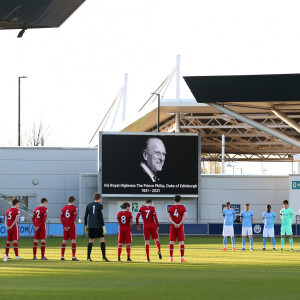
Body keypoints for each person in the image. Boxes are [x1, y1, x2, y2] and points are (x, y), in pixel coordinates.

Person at [84, 193, 109, 261]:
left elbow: (85, 216)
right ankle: (104, 257)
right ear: (100, 198)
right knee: (102, 240)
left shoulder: (89, 205)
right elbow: (101, 217)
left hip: (91, 226)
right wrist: (103, 226)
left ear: (94, 198)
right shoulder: (100, 206)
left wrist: (86, 226)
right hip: (98, 226)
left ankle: (88, 257)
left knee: (91, 241)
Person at [167, 194, 187, 262]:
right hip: (180, 226)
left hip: (173, 226)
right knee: (181, 242)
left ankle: (171, 258)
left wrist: (174, 223)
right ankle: (182, 258)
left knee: (172, 242)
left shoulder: (170, 208)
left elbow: (168, 217)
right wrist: (179, 223)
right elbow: (185, 216)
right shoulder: (183, 207)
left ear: (174, 200)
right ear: (180, 200)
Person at [61, 196, 79, 261]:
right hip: (71, 226)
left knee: (64, 241)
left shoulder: (64, 208)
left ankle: (62, 256)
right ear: (73, 201)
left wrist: (64, 225)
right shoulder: (75, 208)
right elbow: (73, 218)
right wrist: (69, 226)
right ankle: (73, 257)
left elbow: (61, 218)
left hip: (65, 227)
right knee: (73, 240)